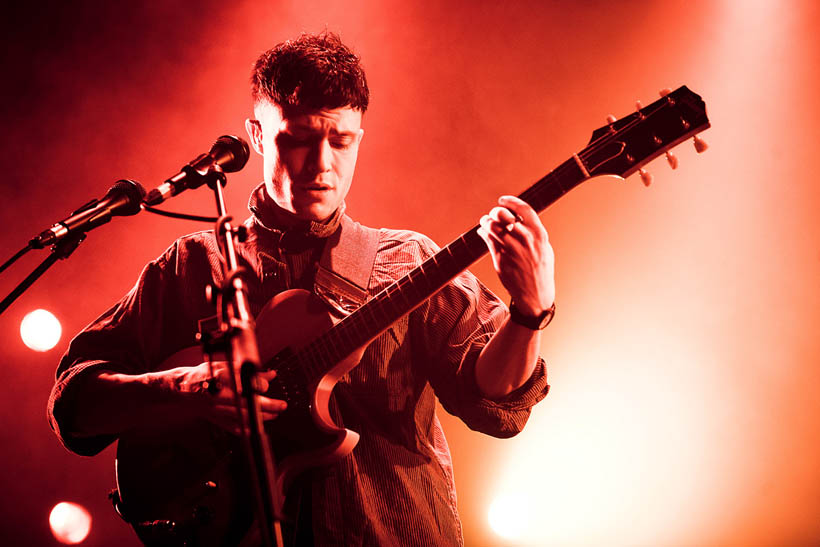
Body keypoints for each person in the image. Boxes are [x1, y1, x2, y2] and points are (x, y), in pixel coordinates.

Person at [48, 32, 555, 546]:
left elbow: (497, 407)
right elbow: (73, 403)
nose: (321, 165)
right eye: (298, 138)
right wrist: (186, 388)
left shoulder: (410, 261)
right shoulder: (193, 263)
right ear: (258, 134)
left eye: (341, 141)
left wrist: (529, 312)